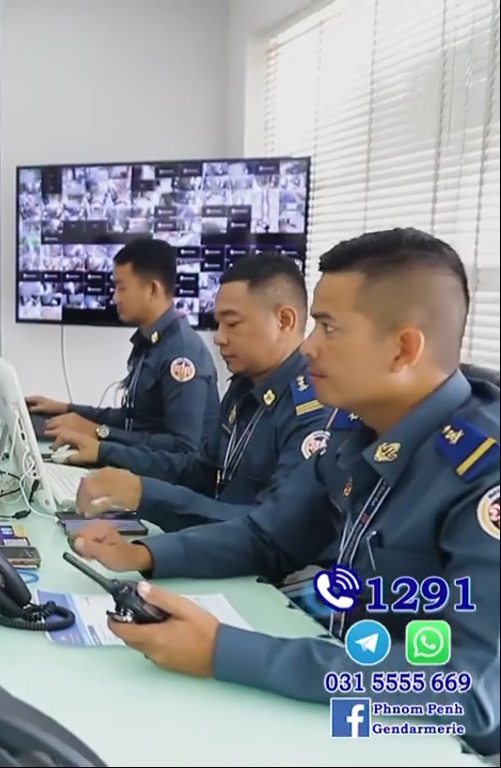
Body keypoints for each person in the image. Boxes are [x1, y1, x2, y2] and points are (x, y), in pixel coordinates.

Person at [69, 229, 500, 757]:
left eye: (329, 327)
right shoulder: (356, 428)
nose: (309, 345)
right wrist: (147, 554)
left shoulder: (484, 473)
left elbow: (467, 693)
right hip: (345, 691)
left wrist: (225, 652)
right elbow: (269, 536)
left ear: (403, 348)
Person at [57, 254, 327, 531]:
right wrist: (110, 457)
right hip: (210, 539)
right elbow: (198, 472)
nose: (219, 337)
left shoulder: (314, 410)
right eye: (218, 324)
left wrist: (144, 496)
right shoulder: (244, 387)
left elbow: (272, 528)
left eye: (232, 324)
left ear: (284, 321)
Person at [27, 238, 219, 453]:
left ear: (152, 290)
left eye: (121, 287)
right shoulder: (151, 341)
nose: (115, 297)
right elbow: (133, 419)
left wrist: (99, 432)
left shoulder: (182, 353)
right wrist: (66, 409)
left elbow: (183, 449)